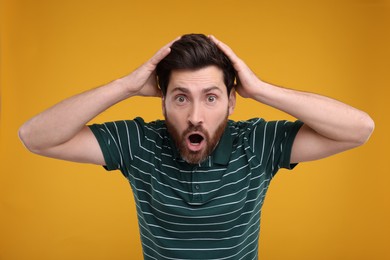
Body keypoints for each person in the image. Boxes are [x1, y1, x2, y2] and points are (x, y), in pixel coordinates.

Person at [19, 34, 374, 259]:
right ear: (162, 103)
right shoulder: (141, 144)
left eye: (211, 97)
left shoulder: (256, 143)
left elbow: (358, 129)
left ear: (233, 102)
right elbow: (35, 137)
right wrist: (124, 86)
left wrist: (262, 89)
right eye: (180, 98)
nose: (195, 116)